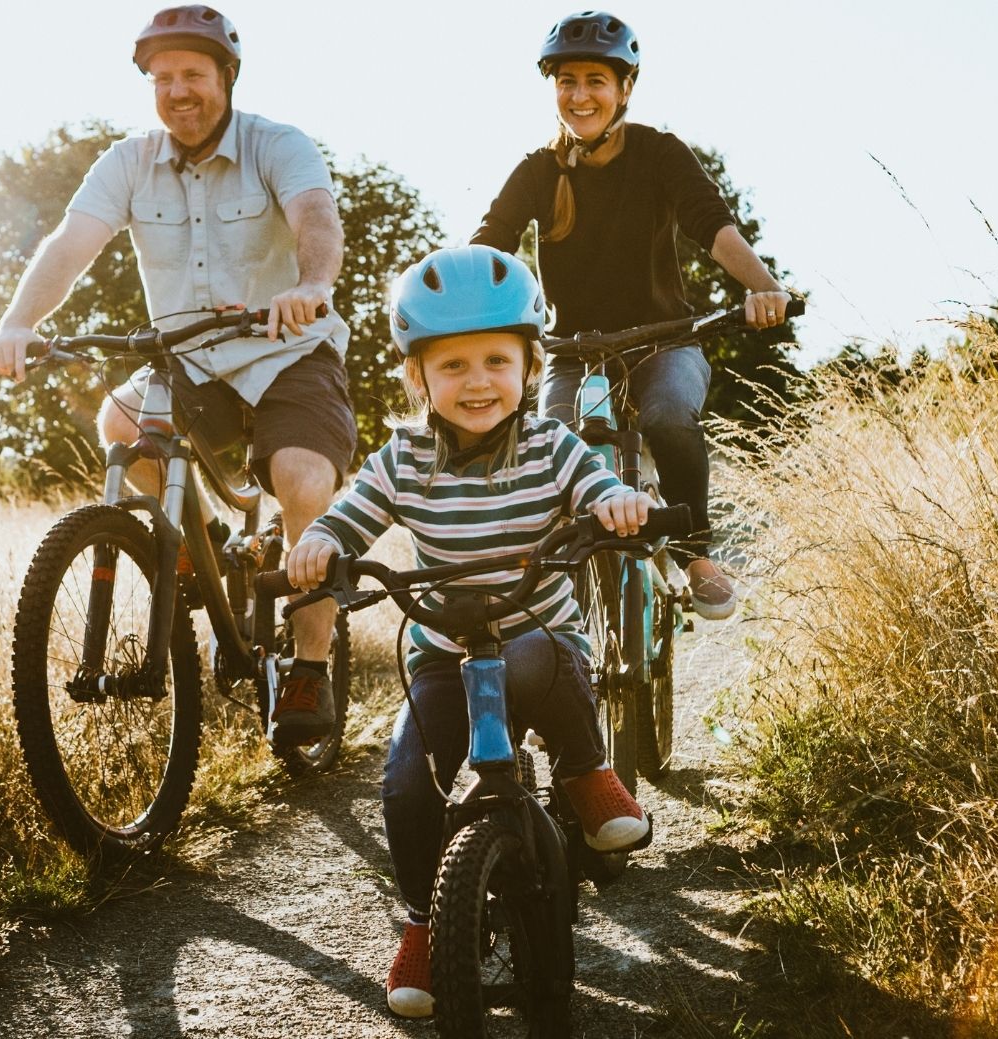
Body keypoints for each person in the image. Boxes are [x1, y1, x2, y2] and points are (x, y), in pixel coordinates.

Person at [284, 245, 653, 1019]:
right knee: (406, 781)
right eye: (452, 366)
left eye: (496, 359)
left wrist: (615, 503)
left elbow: (595, 480)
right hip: (444, 658)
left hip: (533, 646)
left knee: (542, 651)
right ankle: (424, 919)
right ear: (418, 377)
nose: (477, 381)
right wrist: (323, 542)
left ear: (528, 364)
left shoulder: (552, 445)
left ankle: (584, 769)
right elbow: (353, 513)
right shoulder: (404, 456)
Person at [0, 5, 352, 744]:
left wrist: (310, 284)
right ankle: (208, 554)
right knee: (121, 424)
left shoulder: (277, 145)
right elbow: (69, 243)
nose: (177, 90)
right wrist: (16, 320)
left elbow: (316, 215)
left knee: (303, 485)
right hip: (187, 360)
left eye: (193, 74)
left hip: (286, 354)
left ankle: (310, 666)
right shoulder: (128, 162)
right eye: (162, 77)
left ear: (227, 76)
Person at [470, 11, 794, 621]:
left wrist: (765, 288)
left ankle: (697, 554)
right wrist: (462, 310)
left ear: (625, 88)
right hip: (573, 351)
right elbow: (492, 243)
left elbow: (710, 224)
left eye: (596, 80)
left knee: (670, 416)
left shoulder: (659, 153)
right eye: (567, 81)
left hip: (666, 340)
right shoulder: (538, 170)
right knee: (551, 447)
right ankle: (547, 590)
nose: (580, 95)